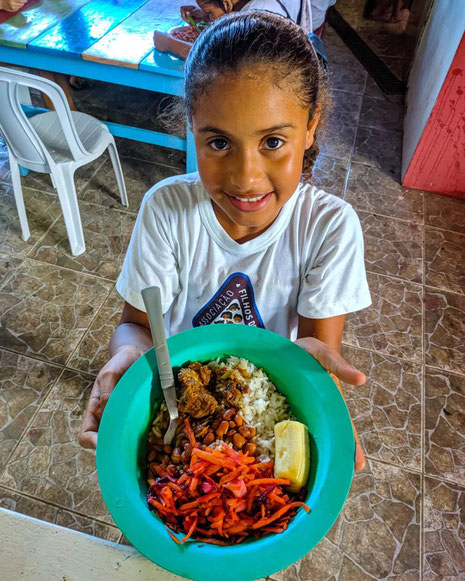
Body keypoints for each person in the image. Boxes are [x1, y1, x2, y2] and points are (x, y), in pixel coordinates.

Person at [81, 11, 371, 471]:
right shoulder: (167, 209)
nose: (246, 177)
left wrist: (317, 381)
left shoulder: (329, 227)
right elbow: (135, 323)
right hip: (176, 397)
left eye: (273, 141)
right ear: (191, 127)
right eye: (218, 143)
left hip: (267, 403)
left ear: (311, 124)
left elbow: (318, 349)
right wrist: (129, 354)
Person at [154, 0, 336, 59]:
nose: (208, 18)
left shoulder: (258, 15)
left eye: (210, 12)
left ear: (226, 3)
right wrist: (206, 14)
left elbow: (217, 56)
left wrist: (169, 43)